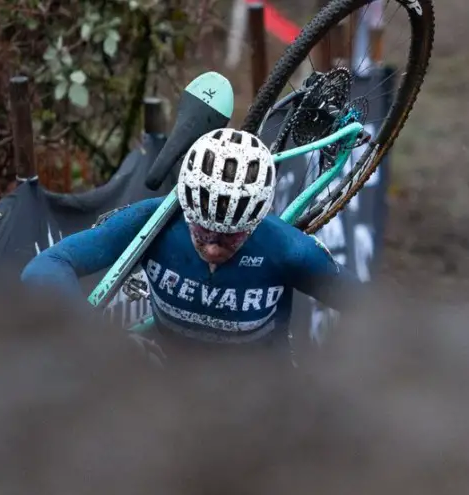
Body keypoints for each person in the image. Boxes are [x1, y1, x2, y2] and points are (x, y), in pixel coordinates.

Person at [20, 127, 360, 365]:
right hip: (175, 398)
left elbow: (369, 307)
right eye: (202, 232)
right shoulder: (153, 222)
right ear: (185, 207)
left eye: (230, 237)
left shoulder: (288, 249)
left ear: (255, 221)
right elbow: (44, 268)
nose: (213, 248)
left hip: (260, 405)